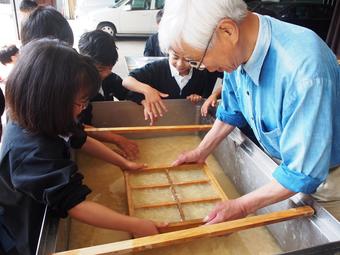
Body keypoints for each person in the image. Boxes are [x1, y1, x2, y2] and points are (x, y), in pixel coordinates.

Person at [158, 0, 340, 222]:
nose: (204, 68)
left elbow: (302, 173)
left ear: (227, 30)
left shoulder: (304, 72)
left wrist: (241, 207)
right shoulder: (239, 49)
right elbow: (231, 109)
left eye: (197, 60)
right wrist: (202, 150)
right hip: (287, 167)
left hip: (329, 182)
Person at [0, 39, 160, 255]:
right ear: (50, 98)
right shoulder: (30, 149)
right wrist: (137, 225)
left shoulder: (45, 115)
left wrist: (123, 163)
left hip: (45, 197)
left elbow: (79, 138)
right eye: (81, 102)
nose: (82, 109)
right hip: (28, 224)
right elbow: (75, 204)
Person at [21, 6, 139, 160]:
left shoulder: (109, 79)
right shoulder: (64, 90)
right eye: (80, 103)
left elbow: (75, 131)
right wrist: (114, 142)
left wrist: (144, 93)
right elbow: (76, 131)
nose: (104, 74)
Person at [123, 48, 222, 125]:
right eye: (175, 57)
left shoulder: (203, 70)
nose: (180, 64)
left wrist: (214, 94)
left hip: (186, 121)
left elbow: (229, 81)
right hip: (158, 121)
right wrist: (148, 90)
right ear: (168, 51)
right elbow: (127, 81)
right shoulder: (156, 68)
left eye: (187, 59)